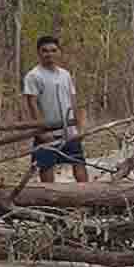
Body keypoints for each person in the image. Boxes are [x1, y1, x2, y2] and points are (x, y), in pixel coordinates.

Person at [23, 35, 89, 183]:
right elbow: (31, 104)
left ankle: (86, 198)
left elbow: (72, 100)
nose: (49, 54)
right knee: (46, 166)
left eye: (53, 50)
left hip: (69, 130)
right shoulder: (33, 76)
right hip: (47, 132)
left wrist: (79, 127)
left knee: (79, 163)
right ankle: (49, 201)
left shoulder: (65, 74)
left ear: (59, 52)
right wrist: (41, 130)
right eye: (45, 51)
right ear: (39, 53)